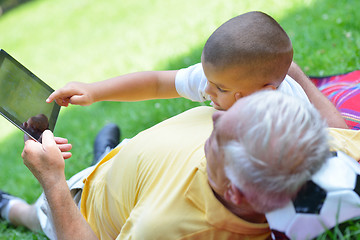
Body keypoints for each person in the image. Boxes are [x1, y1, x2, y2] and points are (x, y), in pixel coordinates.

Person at [1, 91, 343, 239]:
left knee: (37, 214)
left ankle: (9, 207)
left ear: (234, 193)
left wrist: (53, 180)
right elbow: (341, 133)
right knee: (116, 157)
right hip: (132, 169)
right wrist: (287, 68)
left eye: (217, 137)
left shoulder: (163, 228)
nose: (215, 116)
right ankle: (105, 153)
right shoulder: (308, 142)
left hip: (85, 204)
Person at [46, 11, 347, 129]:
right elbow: (156, 83)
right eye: (209, 81)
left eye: (222, 90)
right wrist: (95, 91)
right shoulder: (221, 78)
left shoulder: (289, 119)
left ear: (265, 94)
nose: (207, 90)